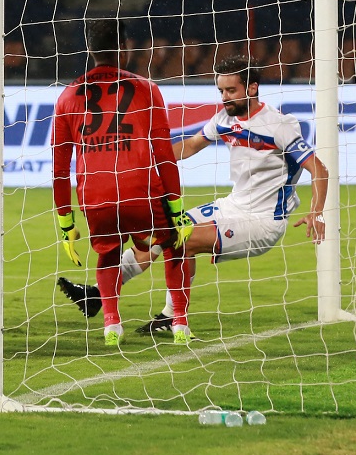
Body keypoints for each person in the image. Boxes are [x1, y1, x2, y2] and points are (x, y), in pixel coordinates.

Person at [59, 55, 329, 335]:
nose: (225, 98)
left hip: (262, 221)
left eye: (231, 91)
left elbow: (319, 169)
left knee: (180, 239)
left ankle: (169, 317)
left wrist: (317, 211)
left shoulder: (279, 126)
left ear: (252, 88)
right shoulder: (224, 119)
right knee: (159, 235)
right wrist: (145, 163)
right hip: (232, 206)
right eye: (221, 91)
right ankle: (95, 296)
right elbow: (188, 146)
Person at [50, 17, 193, 346]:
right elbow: (164, 155)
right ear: (124, 48)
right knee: (173, 244)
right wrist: (177, 207)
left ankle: (112, 324)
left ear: (90, 49)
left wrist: (65, 223)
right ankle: (180, 324)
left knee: (108, 254)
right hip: (139, 190)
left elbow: (59, 169)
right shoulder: (146, 88)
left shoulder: (68, 96)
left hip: (94, 195)